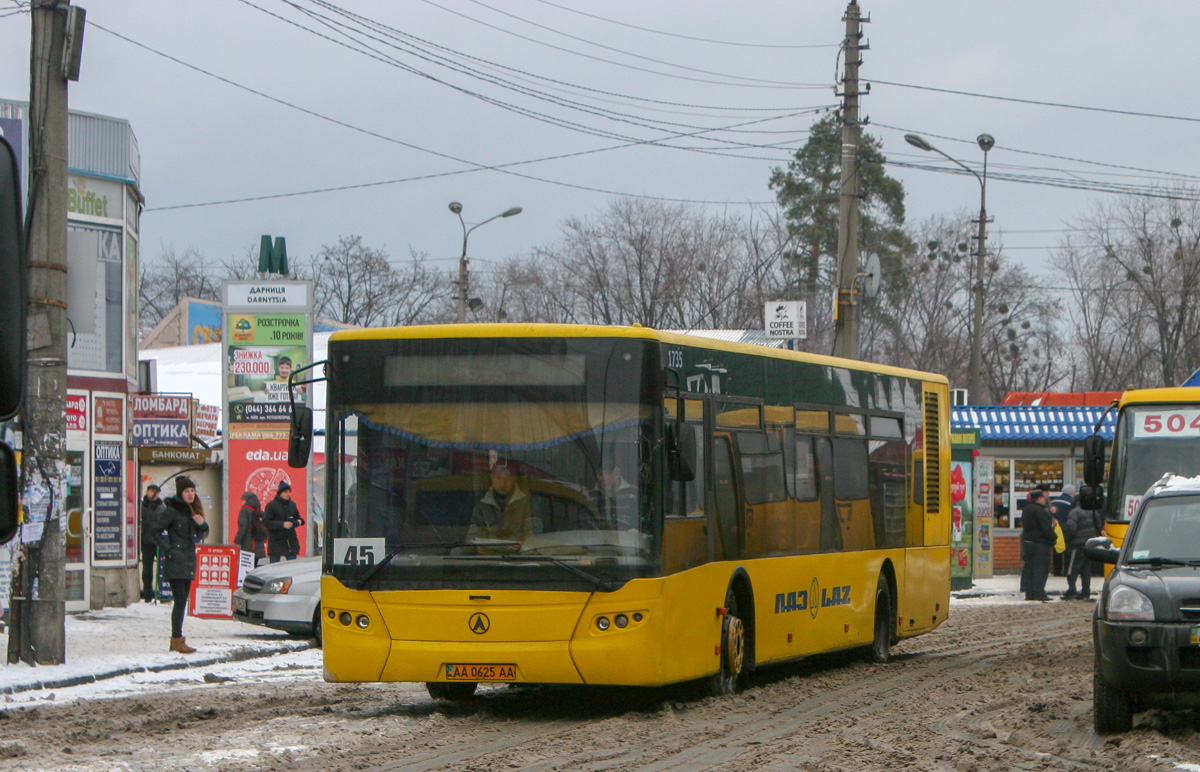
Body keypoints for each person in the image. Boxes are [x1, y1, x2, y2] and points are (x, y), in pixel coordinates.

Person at [156, 476, 209, 653]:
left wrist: (203, 525)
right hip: (176, 561)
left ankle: (177, 639)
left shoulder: (192, 511)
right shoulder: (172, 510)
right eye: (187, 491)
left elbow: (202, 535)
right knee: (179, 601)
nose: (190, 494)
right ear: (180, 493)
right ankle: (176, 639)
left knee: (182, 601)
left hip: (188, 559)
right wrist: (169, 550)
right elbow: (154, 530)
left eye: (192, 491)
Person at [467, 461, 536, 543]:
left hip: (518, 553)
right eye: (498, 478)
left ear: (514, 478)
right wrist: (477, 546)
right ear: (491, 477)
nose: (502, 484)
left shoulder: (527, 502)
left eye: (507, 478)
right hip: (488, 554)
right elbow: (473, 532)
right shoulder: (482, 501)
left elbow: (533, 533)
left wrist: (523, 544)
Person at [1020, 489, 1056, 601]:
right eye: (1043, 498)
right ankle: (1039, 592)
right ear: (1039, 499)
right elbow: (1046, 528)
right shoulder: (1040, 511)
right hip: (1040, 543)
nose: (1045, 500)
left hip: (1028, 542)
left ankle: (1029, 593)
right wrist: (1053, 538)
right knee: (1041, 569)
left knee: (1030, 568)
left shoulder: (1026, 509)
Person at [1062, 500, 1103, 600]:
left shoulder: (1074, 512)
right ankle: (1086, 592)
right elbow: (1099, 527)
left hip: (1077, 544)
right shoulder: (1094, 512)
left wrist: (1067, 539)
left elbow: (1071, 528)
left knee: (1073, 568)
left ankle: (1071, 590)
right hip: (1090, 544)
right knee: (1086, 569)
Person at [590, 462, 639, 530]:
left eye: (608, 473)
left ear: (617, 473)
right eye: (600, 474)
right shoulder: (590, 497)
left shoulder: (635, 495)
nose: (604, 478)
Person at [265, 481, 304, 562]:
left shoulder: (292, 504)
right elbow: (266, 522)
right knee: (274, 567)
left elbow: (298, 517)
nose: (288, 494)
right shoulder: (272, 505)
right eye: (286, 492)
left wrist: (298, 522)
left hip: (290, 541)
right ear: (280, 493)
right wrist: (282, 524)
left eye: (289, 492)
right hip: (276, 542)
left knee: (292, 566)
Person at [139, 484, 165, 602]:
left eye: (157, 492)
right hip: (146, 542)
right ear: (147, 491)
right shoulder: (141, 506)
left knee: (163, 568)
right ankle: (148, 594)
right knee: (147, 569)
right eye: (152, 491)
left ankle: (163, 593)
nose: (154, 494)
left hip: (159, 542)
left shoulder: (162, 507)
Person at [1049, 485, 1077, 576]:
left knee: (1057, 549)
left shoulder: (1054, 501)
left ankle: (1057, 571)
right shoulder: (1071, 502)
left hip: (1056, 528)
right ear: (1071, 493)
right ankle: (1066, 571)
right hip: (1066, 528)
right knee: (1067, 550)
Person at [234, 490, 268, 565]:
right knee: (255, 565)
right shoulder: (258, 509)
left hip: (249, 544)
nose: (242, 502)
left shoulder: (244, 510)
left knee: (247, 566)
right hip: (258, 543)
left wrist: (237, 541)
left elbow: (243, 527)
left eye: (243, 500)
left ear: (246, 500)